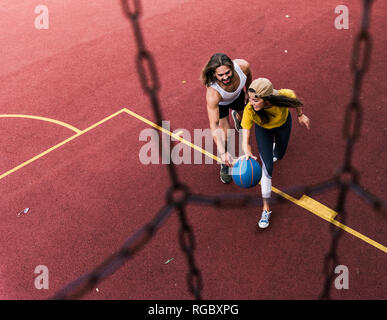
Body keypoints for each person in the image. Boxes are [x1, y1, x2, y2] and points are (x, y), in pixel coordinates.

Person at [240, 78, 310, 229]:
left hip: (282, 125)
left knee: (280, 154)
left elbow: (296, 102)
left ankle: (273, 149)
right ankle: (266, 209)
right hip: (263, 130)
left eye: (256, 100)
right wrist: (247, 152)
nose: (251, 103)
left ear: (267, 98)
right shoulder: (250, 110)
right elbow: (245, 140)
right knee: (268, 167)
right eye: (250, 99)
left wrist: (300, 115)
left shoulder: (283, 96)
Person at [200, 53, 252, 183]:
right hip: (221, 103)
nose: (225, 77)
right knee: (226, 134)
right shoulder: (213, 93)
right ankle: (225, 163)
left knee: (246, 120)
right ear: (213, 74)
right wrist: (223, 153)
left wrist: (249, 92)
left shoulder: (243, 67)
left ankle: (237, 116)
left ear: (232, 68)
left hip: (238, 95)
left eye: (227, 73)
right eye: (220, 75)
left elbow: (249, 76)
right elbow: (214, 125)